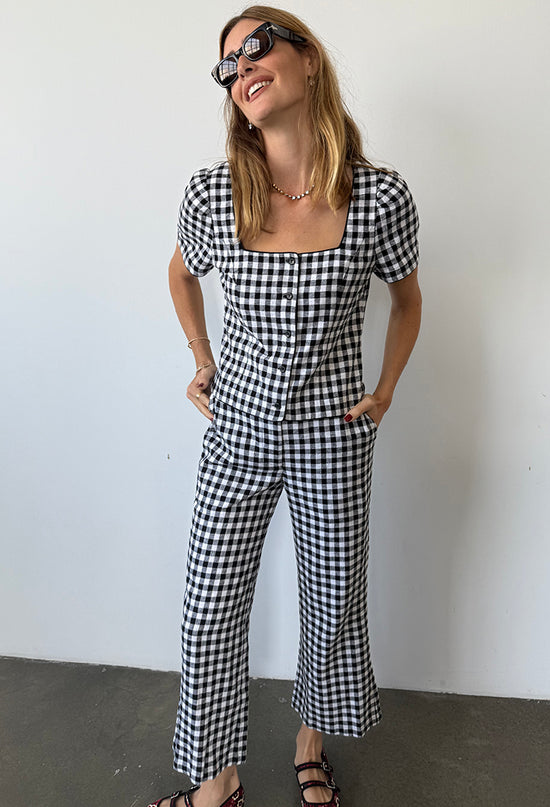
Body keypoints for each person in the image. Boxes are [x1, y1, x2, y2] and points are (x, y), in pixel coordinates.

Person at [149, 6, 421, 807]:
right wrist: (202, 360)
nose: (242, 68)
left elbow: (406, 300)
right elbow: (179, 274)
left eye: (257, 46)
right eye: (228, 65)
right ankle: (216, 783)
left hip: (335, 434)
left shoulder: (377, 198)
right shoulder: (213, 192)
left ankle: (309, 742)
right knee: (209, 607)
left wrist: (386, 389)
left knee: (331, 600)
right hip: (238, 427)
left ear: (308, 61)